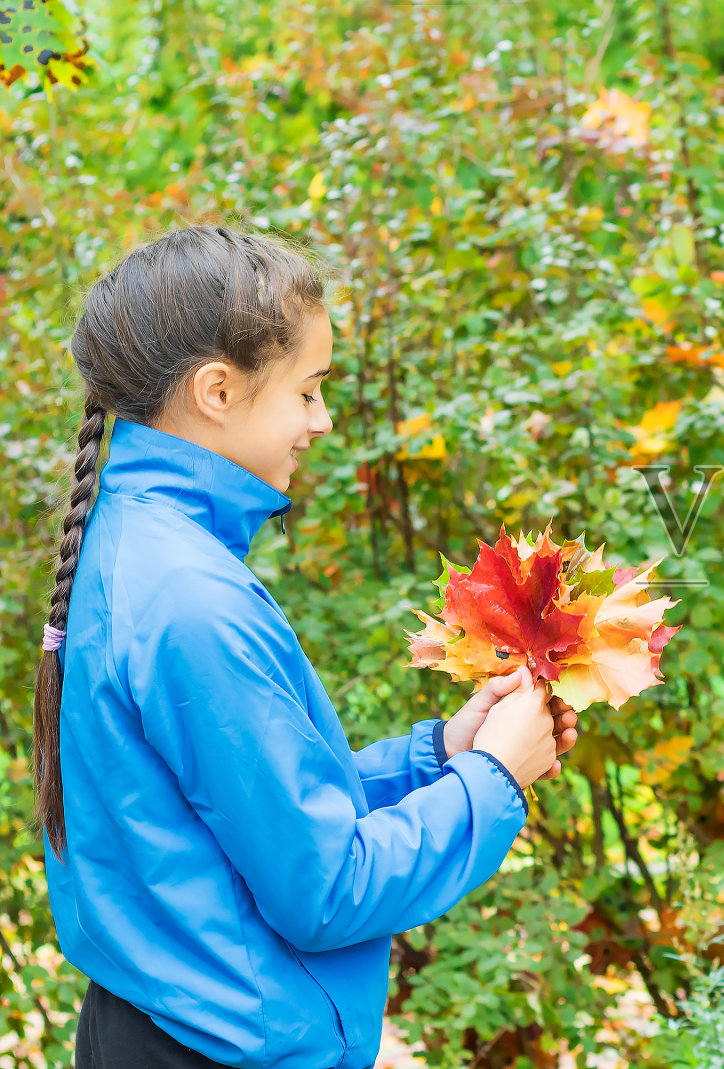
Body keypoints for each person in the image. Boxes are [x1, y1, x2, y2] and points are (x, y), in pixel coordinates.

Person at [31, 225, 578, 1069]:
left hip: (156, 1024)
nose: (321, 421)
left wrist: (441, 755)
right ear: (217, 389)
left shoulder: (136, 542)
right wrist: (493, 778)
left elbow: (242, 815)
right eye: (308, 390)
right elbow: (326, 891)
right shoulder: (190, 598)